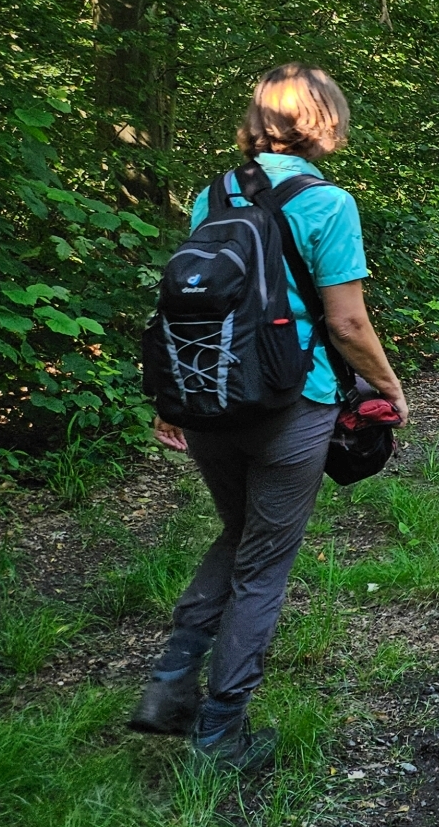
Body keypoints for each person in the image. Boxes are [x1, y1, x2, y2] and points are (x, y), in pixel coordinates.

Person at [132, 64, 408, 770]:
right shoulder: (328, 204)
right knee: (263, 564)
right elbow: (347, 323)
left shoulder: (213, 194)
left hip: (207, 396)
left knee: (238, 533)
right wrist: (389, 388)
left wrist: (171, 398)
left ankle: (169, 685)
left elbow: (193, 299)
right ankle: (222, 735)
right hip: (293, 401)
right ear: (326, 123)